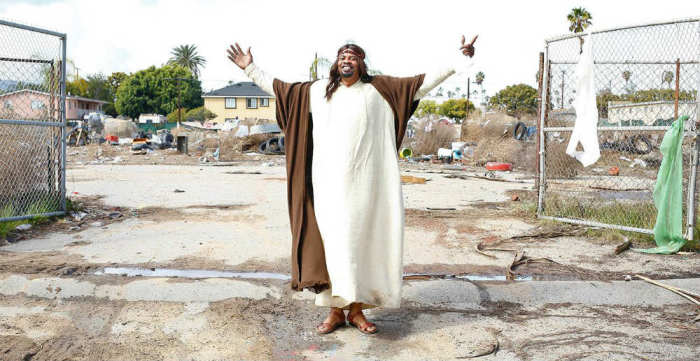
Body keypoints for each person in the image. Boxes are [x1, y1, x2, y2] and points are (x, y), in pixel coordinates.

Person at [227, 35, 477, 335]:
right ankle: (335, 312)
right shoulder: (318, 92)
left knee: (360, 246)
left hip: (368, 187)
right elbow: (281, 91)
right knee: (332, 246)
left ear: (361, 63)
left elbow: (422, 83)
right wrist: (250, 68)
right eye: (343, 55)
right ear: (337, 62)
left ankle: (357, 311)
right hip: (327, 185)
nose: (347, 59)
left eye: (353, 56)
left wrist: (457, 59)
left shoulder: (379, 91)